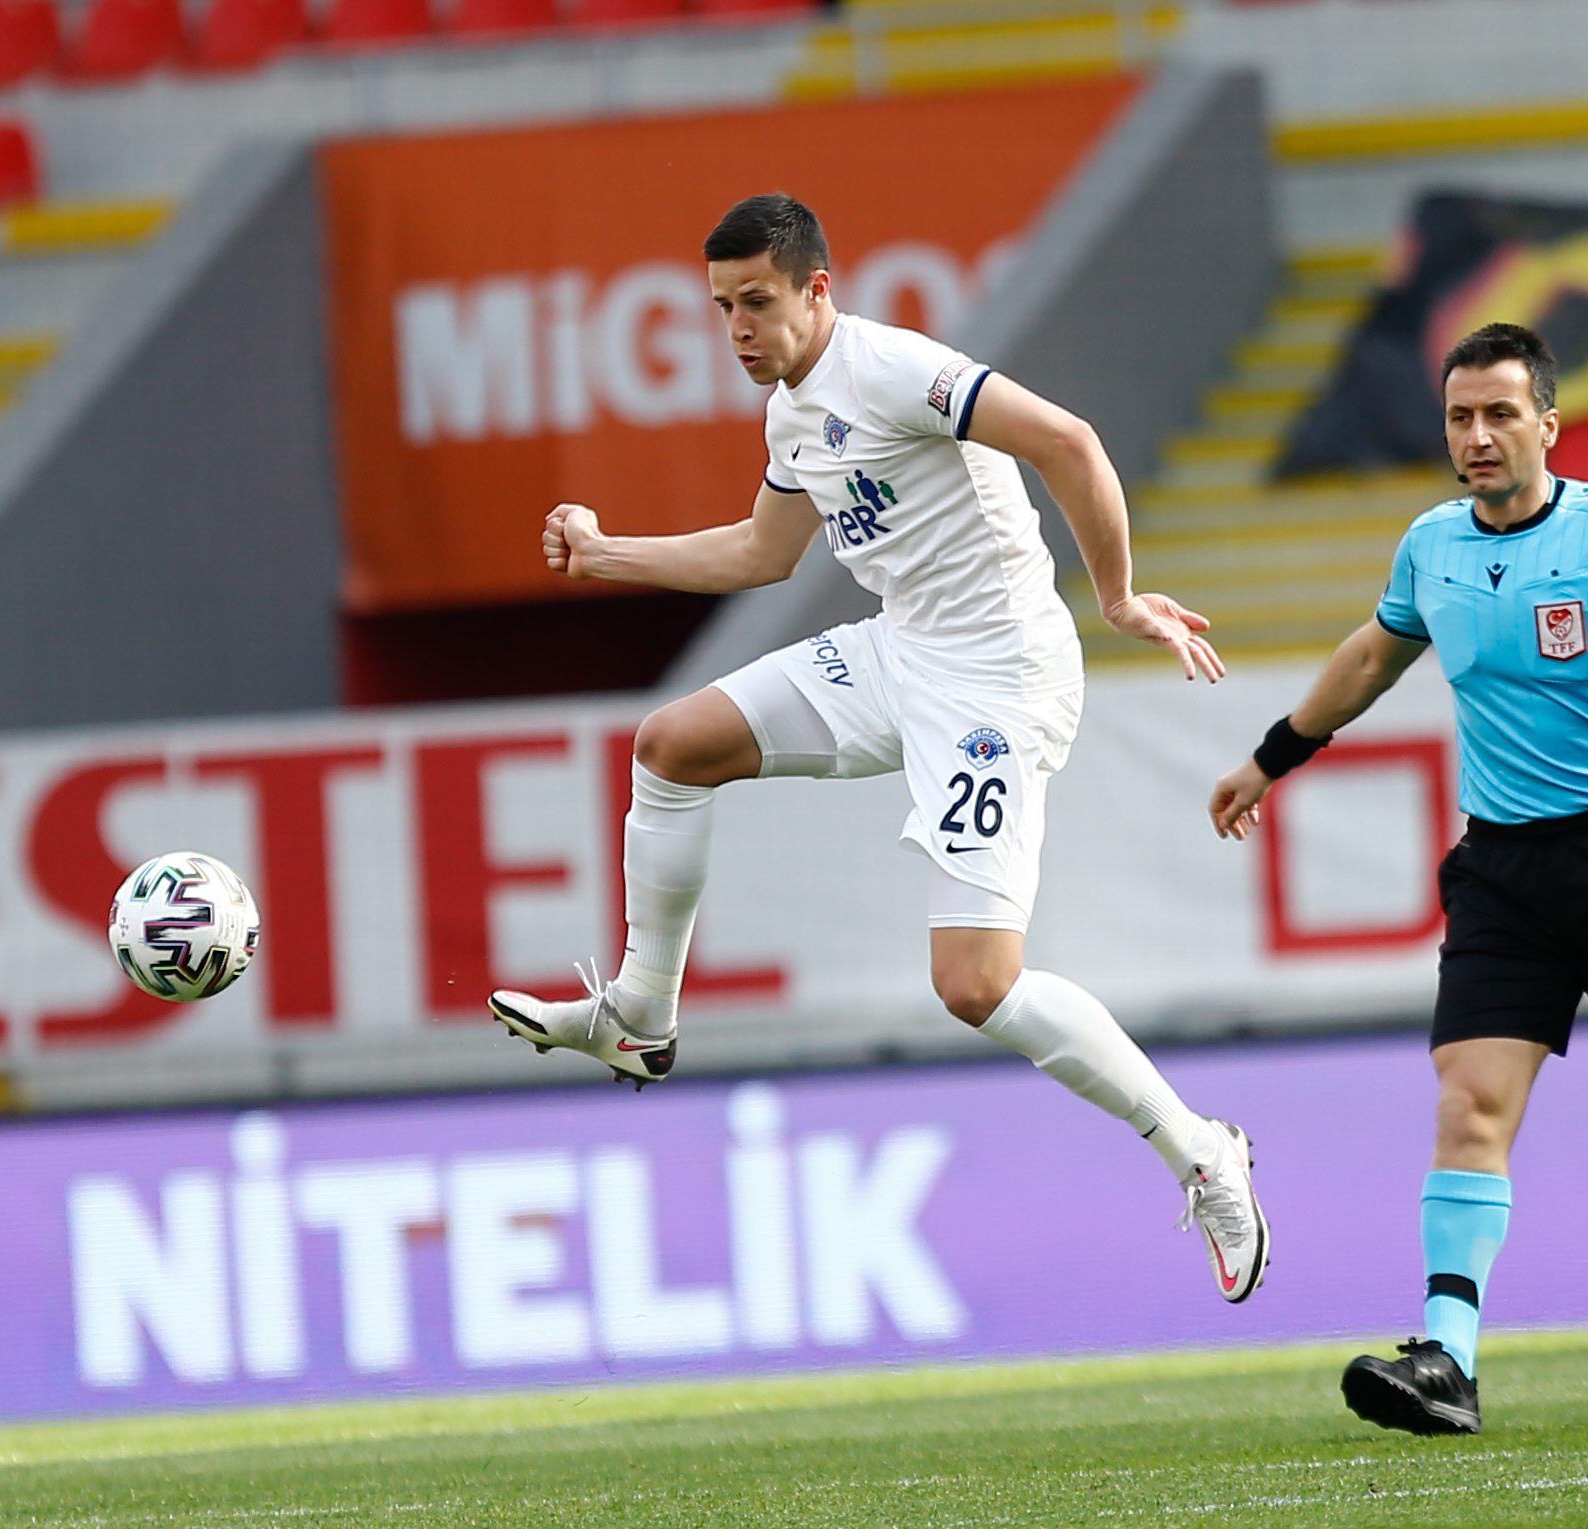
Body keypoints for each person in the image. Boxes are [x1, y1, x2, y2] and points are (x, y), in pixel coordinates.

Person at [489, 193, 1270, 1301]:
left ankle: (1200, 1150)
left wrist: (1117, 595)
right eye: (721, 307)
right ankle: (639, 1015)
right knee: (671, 743)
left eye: (756, 301)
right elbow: (762, 553)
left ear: (817, 289)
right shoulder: (790, 413)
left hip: (998, 678)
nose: (737, 329)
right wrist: (607, 554)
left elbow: (1068, 441)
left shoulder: (897, 370)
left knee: (974, 983)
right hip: (902, 649)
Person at [1209, 322, 1588, 1430]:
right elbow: (1372, 654)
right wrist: (1272, 756)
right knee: (1469, 1103)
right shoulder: (1430, 544)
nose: (1477, 435)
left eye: (1499, 413)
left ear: (1548, 423)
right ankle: (1447, 1357)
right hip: (1501, 871)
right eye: (1459, 416)